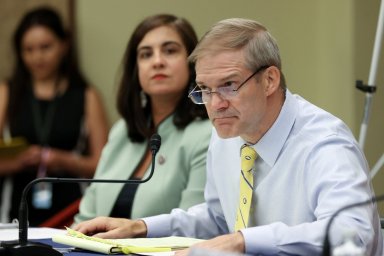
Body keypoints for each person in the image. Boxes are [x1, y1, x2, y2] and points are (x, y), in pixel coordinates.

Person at [74, 18, 383, 255]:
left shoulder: (324, 143)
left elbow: (352, 234)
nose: (215, 104)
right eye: (205, 90)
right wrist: (141, 227)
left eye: (229, 85)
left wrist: (243, 242)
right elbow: (217, 217)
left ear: (269, 80)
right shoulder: (226, 133)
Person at [73, 14, 211, 223]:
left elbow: (193, 226)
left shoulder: (208, 134)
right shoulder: (122, 131)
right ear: (135, 69)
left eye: (170, 51)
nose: (157, 62)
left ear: (193, 63)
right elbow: (86, 218)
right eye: (146, 54)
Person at [0, 6, 109, 226]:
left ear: (64, 45)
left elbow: (103, 165)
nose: (36, 57)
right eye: (28, 49)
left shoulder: (87, 95)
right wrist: (19, 162)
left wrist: (62, 160)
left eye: (45, 47)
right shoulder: (7, 92)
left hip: (73, 208)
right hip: (15, 206)